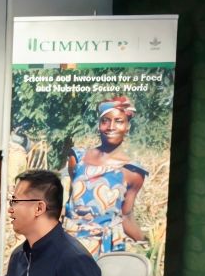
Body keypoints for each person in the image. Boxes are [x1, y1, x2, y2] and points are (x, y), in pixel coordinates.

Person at [61, 97, 148, 255]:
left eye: (119, 121)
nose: (111, 127)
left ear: (127, 127)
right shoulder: (78, 158)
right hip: (71, 243)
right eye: (105, 121)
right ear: (99, 125)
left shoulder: (133, 172)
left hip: (106, 248)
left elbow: (126, 215)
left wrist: (146, 245)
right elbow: (71, 202)